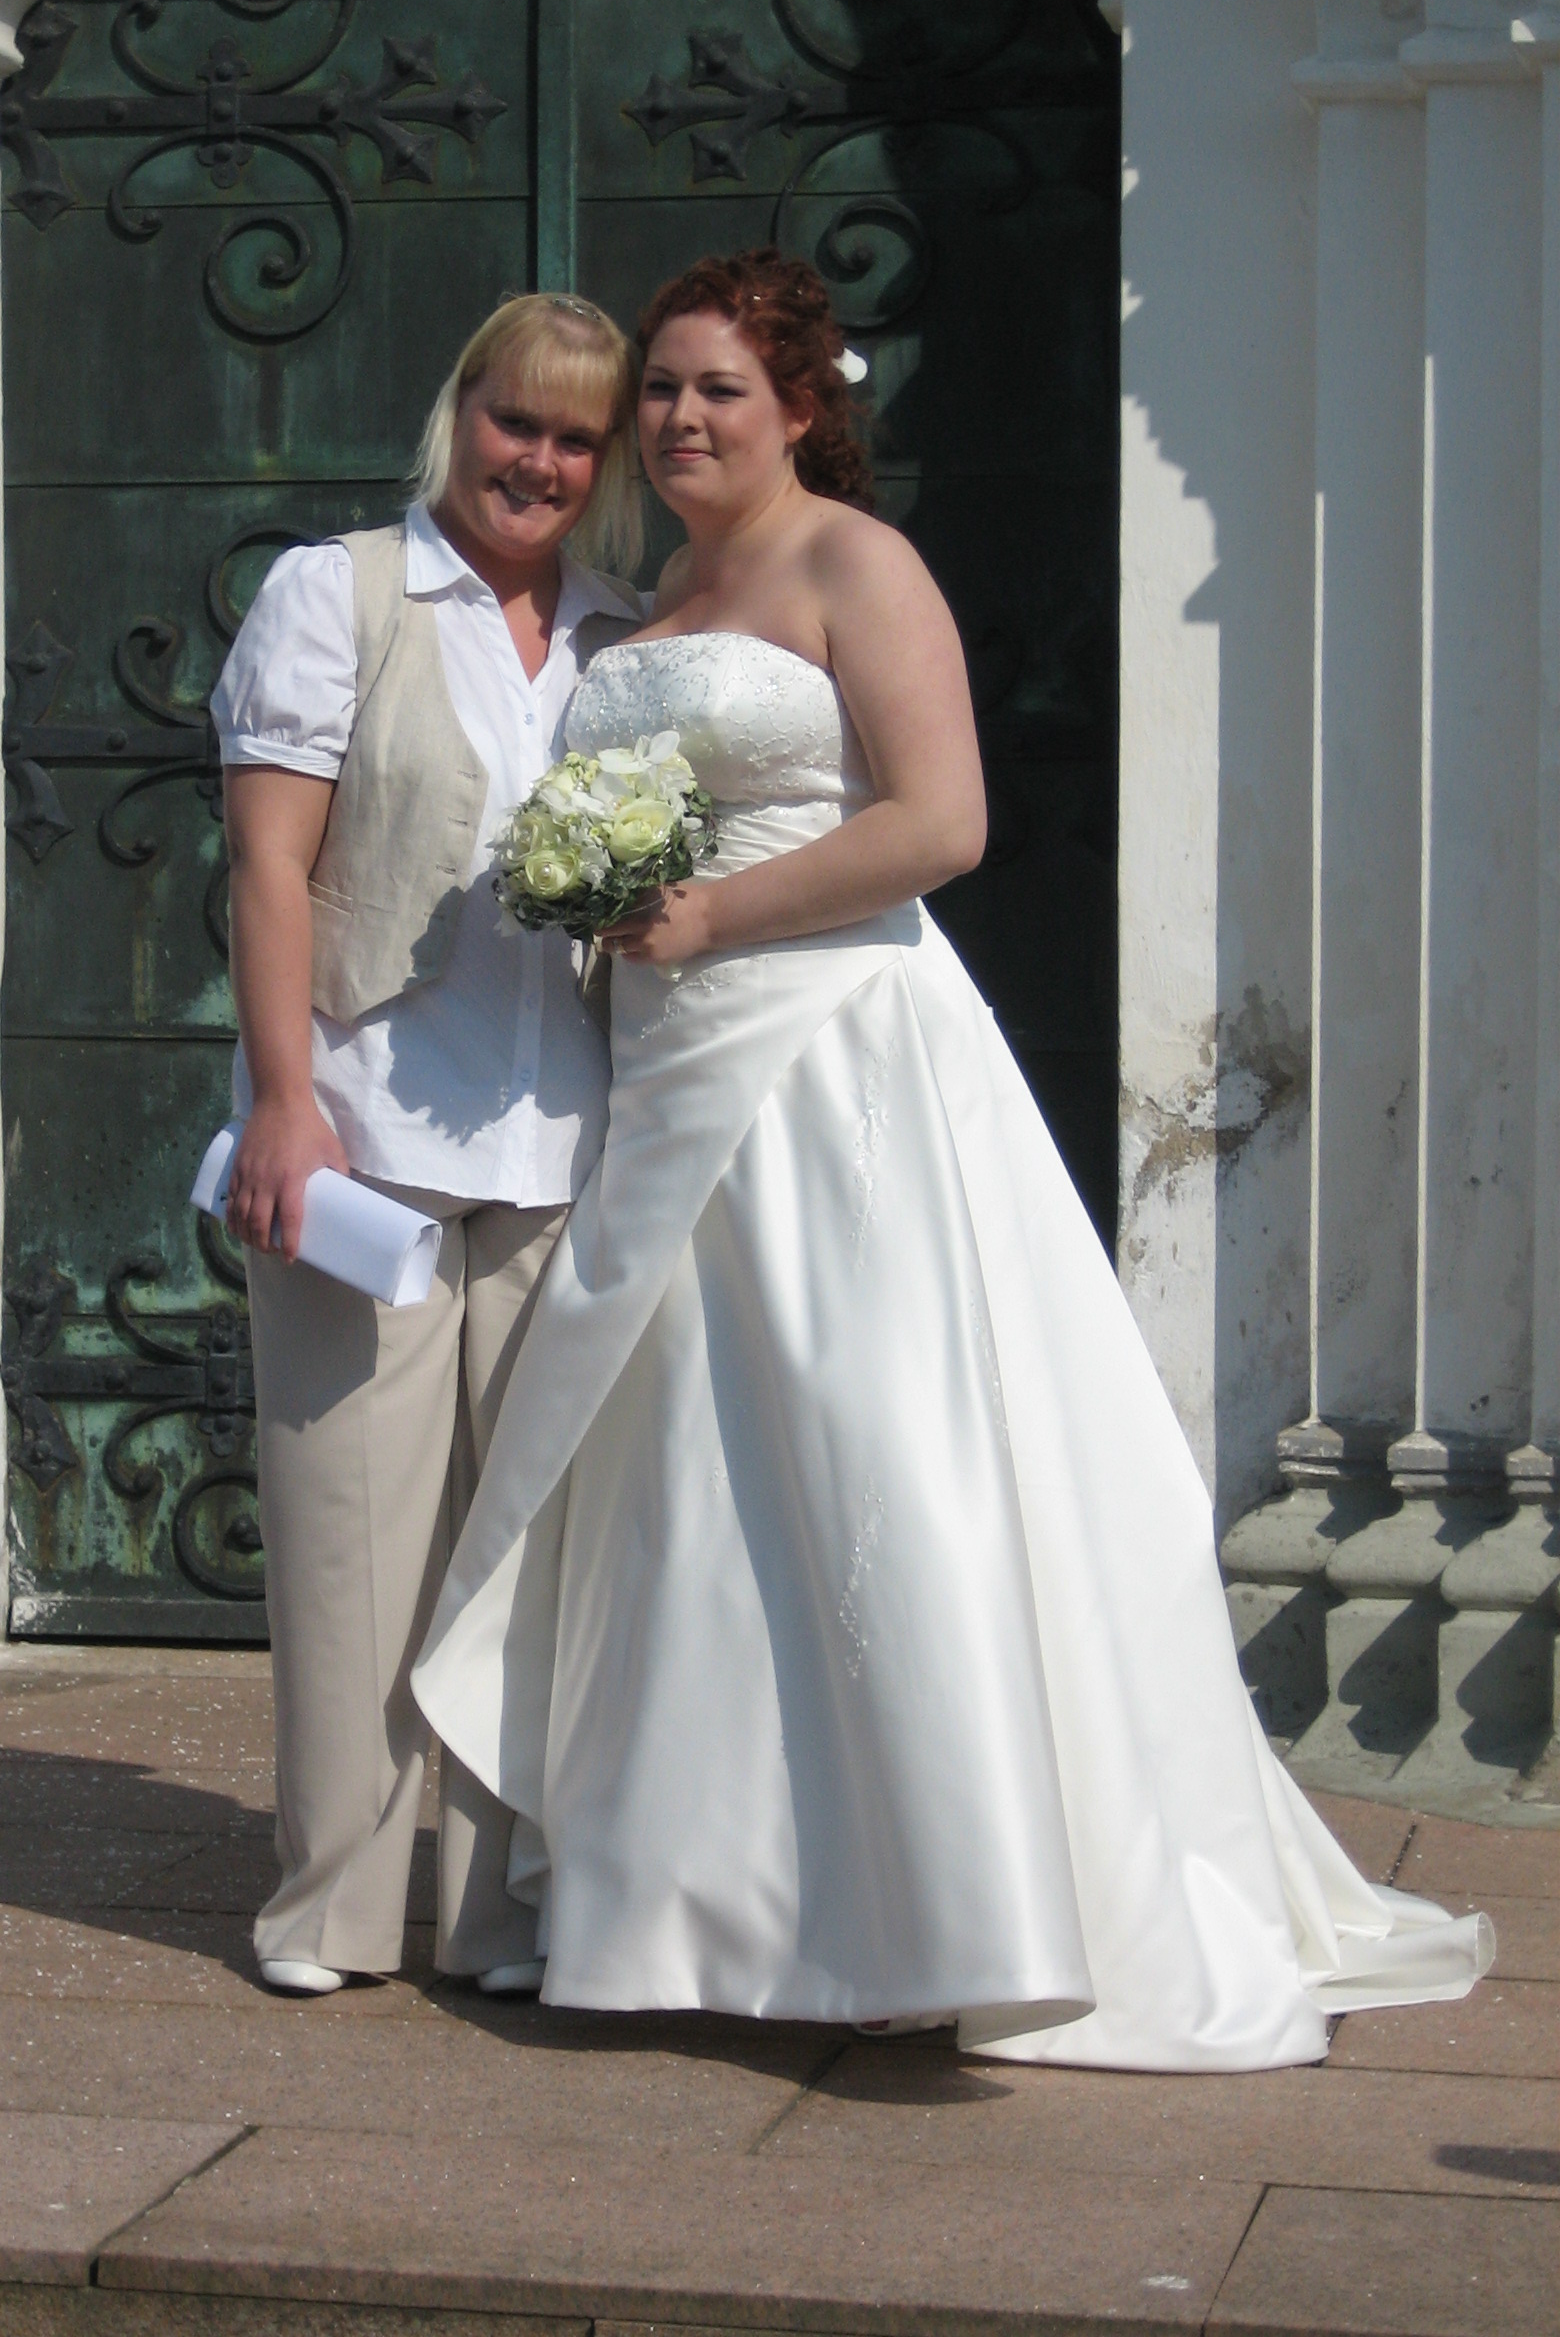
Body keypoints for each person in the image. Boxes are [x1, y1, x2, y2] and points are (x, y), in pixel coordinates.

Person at [411, 249, 1493, 2067]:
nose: (678, 418)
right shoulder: (665, 591)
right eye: (660, 388)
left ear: (800, 405)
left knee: (871, 1452)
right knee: (690, 1483)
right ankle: (698, 1906)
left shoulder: (857, 564)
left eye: (717, 390)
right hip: (667, 1071)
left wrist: (709, 912)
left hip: (835, 1056)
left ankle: (943, 1900)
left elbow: (943, 823)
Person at [210, 293, 644, 1997]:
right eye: (515, 419)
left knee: (522, 1552)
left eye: (575, 437)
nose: (538, 461)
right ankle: (326, 1905)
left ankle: (495, 1912)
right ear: (460, 411)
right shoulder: (341, 594)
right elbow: (268, 864)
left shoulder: (621, 634)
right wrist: (284, 1099)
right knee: (351, 1542)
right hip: (366, 1131)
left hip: (566, 1146)